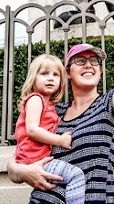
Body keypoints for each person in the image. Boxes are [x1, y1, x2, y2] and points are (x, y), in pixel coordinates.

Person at [7, 7, 114, 203]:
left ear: (100, 71)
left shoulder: (108, 106)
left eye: (94, 61)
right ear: (68, 72)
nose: (88, 65)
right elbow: (15, 163)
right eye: (80, 60)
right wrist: (25, 172)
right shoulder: (52, 111)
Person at [15, 54, 85, 204]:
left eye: (55, 75)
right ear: (33, 78)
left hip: (36, 158)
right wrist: (60, 140)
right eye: (44, 73)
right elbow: (32, 130)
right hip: (34, 160)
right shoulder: (35, 99)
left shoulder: (49, 105)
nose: (50, 78)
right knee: (76, 175)